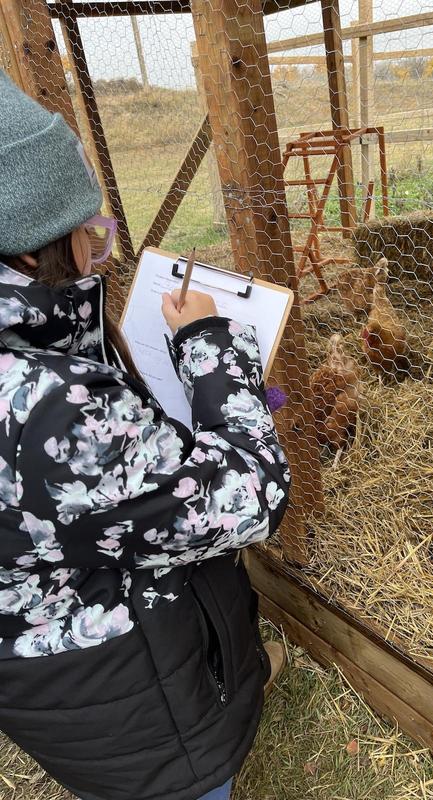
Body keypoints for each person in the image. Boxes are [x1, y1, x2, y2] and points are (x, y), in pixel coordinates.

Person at [0, 71, 289, 800]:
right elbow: (251, 496)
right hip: (130, 702)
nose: (102, 248)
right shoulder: (44, 405)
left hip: (45, 666)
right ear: (30, 249)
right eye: (91, 231)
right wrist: (212, 352)